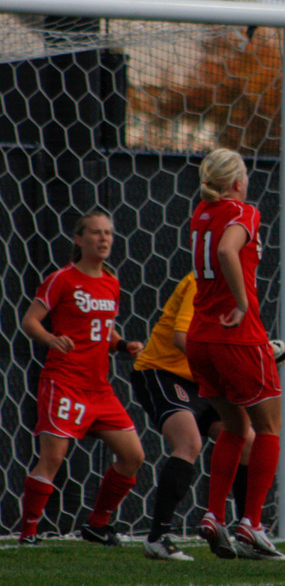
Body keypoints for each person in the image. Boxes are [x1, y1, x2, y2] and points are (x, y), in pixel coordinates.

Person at [18, 210, 145, 547]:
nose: (103, 239)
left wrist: (122, 344)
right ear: (78, 239)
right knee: (53, 458)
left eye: (108, 233)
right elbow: (30, 321)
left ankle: (97, 524)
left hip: (98, 388)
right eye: (95, 233)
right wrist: (50, 339)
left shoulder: (111, 282)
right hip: (65, 382)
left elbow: (105, 328)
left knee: (133, 456)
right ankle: (28, 531)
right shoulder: (62, 279)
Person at [186, 147, 285, 560]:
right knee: (269, 427)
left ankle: (212, 515)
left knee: (232, 427)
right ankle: (252, 523)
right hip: (237, 335)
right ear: (238, 182)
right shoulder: (244, 211)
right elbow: (228, 250)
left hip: (200, 338)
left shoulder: (200, 213)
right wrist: (243, 304)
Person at [130, 271, 259, 561]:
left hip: (201, 376)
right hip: (162, 371)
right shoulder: (201, 282)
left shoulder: (241, 290)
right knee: (189, 442)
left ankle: (245, 533)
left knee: (247, 440)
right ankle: (158, 538)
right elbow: (181, 338)